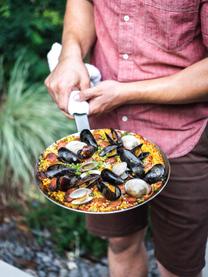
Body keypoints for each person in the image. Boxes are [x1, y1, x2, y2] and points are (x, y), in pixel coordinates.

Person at [45, 0, 208, 276]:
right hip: (105, 133)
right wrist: (70, 55)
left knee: (177, 268)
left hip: (182, 136)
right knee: (120, 243)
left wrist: (127, 92)